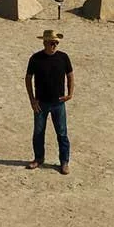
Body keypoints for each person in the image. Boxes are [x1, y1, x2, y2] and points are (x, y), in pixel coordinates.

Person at [24, 29, 73, 173]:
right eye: (52, 42)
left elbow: (70, 75)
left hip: (58, 103)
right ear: (45, 43)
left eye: (56, 42)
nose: (54, 45)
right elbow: (28, 78)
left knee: (62, 133)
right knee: (38, 132)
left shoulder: (63, 57)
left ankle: (64, 162)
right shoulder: (35, 58)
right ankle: (39, 158)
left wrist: (70, 94)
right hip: (41, 103)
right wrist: (32, 100)